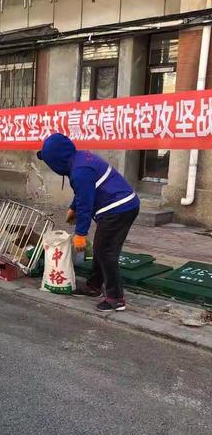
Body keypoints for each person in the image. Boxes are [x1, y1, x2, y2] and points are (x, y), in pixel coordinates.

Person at [37, 133, 140, 312]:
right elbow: (83, 193)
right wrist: (72, 208)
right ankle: (93, 287)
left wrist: (81, 234)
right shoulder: (78, 160)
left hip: (119, 208)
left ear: (56, 159)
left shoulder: (79, 171)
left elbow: (86, 203)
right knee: (101, 247)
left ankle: (116, 298)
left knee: (106, 251)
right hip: (119, 205)